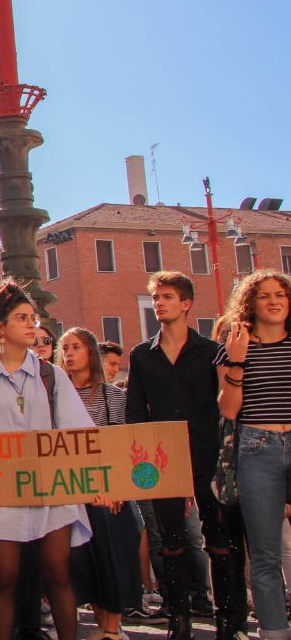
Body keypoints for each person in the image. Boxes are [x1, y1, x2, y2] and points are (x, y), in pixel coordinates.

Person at [0, 279, 115, 640]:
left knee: (57, 571)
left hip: (52, 488)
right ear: (0, 328)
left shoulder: (51, 376)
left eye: (33, 318)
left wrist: (98, 483)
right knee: (4, 576)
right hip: (0, 492)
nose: (32, 325)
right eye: (22, 318)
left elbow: (79, 432)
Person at [127, 270, 247, 640]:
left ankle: (229, 619)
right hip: (162, 461)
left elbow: (225, 408)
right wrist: (141, 463)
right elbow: (135, 411)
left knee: (221, 541)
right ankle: (179, 620)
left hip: (209, 456)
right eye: (156, 297)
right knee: (171, 542)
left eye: (167, 297)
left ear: (186, 304)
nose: (159, 302)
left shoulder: (211, 353)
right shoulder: (141, 355)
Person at [218, 270, 291, 640]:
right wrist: (238, 361)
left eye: (281, 294)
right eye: (265, 295)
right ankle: (275, 633)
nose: (275, 301)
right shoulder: (235, 346)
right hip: (256, 447)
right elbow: (229, 411)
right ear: (251, 303)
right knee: (265, 555)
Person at [61, 326, 139, 640]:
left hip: (110, 492)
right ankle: (101, 624)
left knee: (113, 557)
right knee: (85, 562)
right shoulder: (56, 396)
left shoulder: (113, 396)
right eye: (65, 348)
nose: (68, 354)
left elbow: (123, 444)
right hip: (73, 491)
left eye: (75, 347)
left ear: (90, 352)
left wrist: (117, 487)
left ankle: (112, 628)